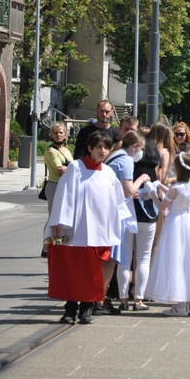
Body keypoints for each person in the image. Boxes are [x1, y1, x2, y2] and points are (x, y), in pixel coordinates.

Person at [46, 130, 127, 325]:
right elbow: (64, 195)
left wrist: (121, 222)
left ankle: (87, 308)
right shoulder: (76, 167)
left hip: (99, 231)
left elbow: (117, 201)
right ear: (89, 148)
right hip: (76, 229)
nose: (102, 151)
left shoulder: (108, 173)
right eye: (98, 147)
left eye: (106, 147)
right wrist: (58, 223)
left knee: (93, 271)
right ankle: (70, 308)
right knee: (74, 270)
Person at [145, 152, 190, 317]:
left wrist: (152, 194)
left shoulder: (176, 188)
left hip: (176, 223)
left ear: (178, 169)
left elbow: (163, 207)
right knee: (189, 260)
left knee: (176, 259)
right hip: (189, 222)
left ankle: (181, 304)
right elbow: (173, 193)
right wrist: (160, 186)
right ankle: (188, 302)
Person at [102, 131, 150, 314]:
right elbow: (129, 190)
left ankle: (104, 297)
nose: (141, 153)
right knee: (114, 257)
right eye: (141, 149)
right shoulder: (126, 160)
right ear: (135, 147)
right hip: (115, 213)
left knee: (115, 258)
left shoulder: (115, 156)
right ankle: (100, 299)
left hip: (107, 209)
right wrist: (143, 179)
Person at [41, 122, 74, 257]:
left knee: (63, 218)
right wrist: (72, 168)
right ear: (51, 135)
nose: (59, 135)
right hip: (54, 185)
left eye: (61, 132)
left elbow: (71, 167)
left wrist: (70, 168)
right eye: (56, 133)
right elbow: (60, 169)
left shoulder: (66, 150)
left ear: (65, 134)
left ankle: (59, 244)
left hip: (65, 186)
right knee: (53, 217)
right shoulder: (50, 150)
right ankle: (46, 248)